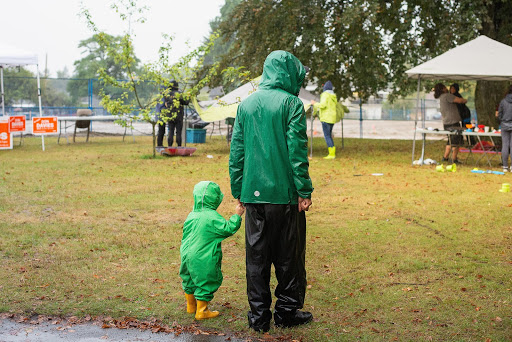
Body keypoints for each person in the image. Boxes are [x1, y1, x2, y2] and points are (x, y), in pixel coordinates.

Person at [229, 50, 314, 332]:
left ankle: (258, 317)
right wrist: (304, 190)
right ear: (289, 73)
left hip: (254, 194)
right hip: (285, 195)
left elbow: (237, 151)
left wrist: (238, 189)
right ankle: (287, 311)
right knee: (289, 256)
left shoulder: (247, 104)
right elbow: (297, 151)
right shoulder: (291, 104)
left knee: (257, 257)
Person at [179, 181, 245, 320]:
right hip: (202, 255)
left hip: (186, 254)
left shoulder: (192, 214)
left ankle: (191, 306)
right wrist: (237, 215)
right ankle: (202, 311)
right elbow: (228, 228)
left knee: (189, 278)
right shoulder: (211, 217)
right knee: (205, 278)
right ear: (215, 198)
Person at [434, 83, 467, 164]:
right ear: (442, 89)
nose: (447, 88)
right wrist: (465, 100)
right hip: (453, 122)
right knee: (456, 141)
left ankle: (445, 157)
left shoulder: (442, 97)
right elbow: (459, 100)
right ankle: (454, 159)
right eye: (445, 87)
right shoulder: (447, 96)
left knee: (450, 140)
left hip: (446, 122)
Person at [156, 80, 190, 148]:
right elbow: (185, 102)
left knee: (171, 131)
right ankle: (179, 146)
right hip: (179, 115)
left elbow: (166, 103)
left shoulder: (167, 95)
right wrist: (188, 97)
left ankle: (169, 146)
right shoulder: (179, 94)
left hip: (170, 115)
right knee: (178, 132)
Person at [311, 80, 338, 159]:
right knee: (329, 135)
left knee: (327, 136)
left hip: (326, 118)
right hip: (332, 118)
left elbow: (322, 105)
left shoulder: (325, 95)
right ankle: (332, 153)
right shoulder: (333, 96)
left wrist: (314, 103)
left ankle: (331, 154)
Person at [498, 85, 512, 172]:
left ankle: (505, 166)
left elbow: (499, 114)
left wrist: (502, 120)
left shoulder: (503, 101)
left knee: (505, 145)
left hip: (504, 125)